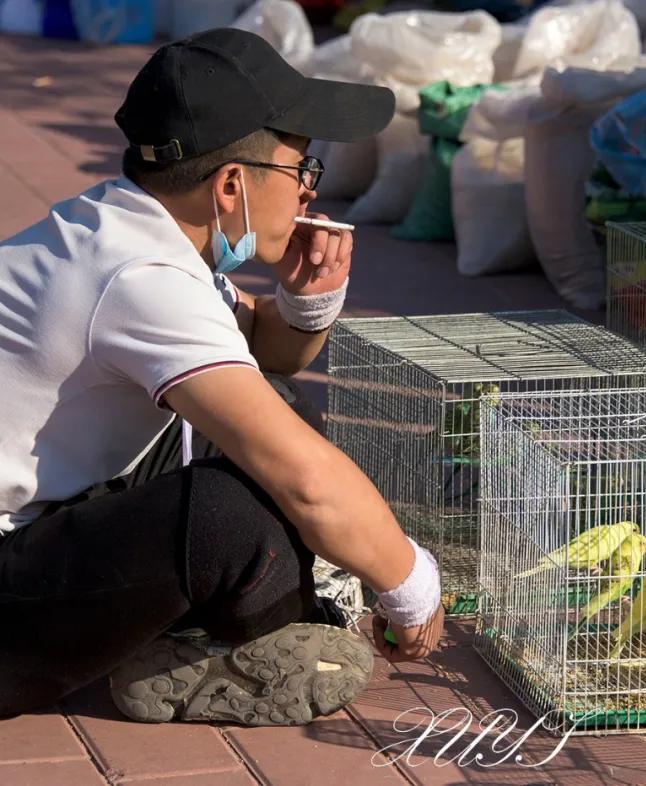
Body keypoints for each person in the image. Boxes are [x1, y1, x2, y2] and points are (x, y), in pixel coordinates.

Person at [0, 28, 445, 726]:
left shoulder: (125, 224)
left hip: (35, 517)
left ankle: (191, 630)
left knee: (273, 412)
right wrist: (412, 585)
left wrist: (306, 302)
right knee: (232, 516)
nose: (308, 189)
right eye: (301, 167)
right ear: (232, 185)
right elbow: (307, 480)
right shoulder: (141, 279)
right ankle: (214, 647)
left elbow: (268, 351)